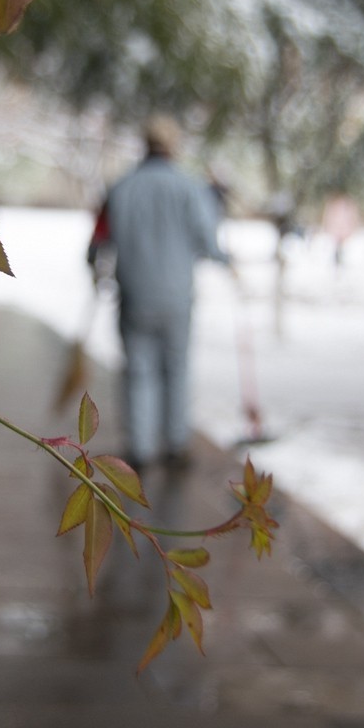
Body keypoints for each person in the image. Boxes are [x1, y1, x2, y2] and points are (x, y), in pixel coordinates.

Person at [88, 114, 232, 471]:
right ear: (173, 146)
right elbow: (209, 241)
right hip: (177, 296)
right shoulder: (191, 188)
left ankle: (140, 447)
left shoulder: (121, 187)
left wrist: (94, 267)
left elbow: (97, 240)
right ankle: (176, 442)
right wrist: (226, 259)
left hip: (135, 293)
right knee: (176, 367)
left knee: (138, 371)